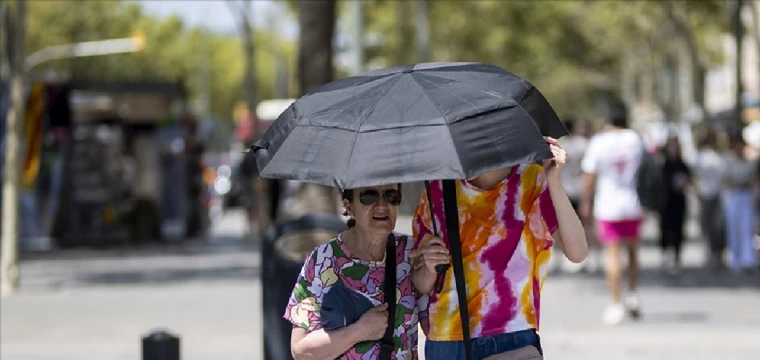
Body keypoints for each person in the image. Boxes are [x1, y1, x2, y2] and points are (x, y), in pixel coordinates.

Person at [411, 136, 587, 359]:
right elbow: (421, 284)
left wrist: (554, 181)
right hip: (448, 337)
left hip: (512, 333)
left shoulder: (532, 182)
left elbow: (578, 252)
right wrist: (428, 267)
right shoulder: (438, 189)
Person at [285, 183, 439, 359]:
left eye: (391, 196)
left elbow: (434, 328)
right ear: (349, 207)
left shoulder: (411, 252)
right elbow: (300, 350)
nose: (382, 205)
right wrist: (360, 330)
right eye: (369, 196)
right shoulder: (323, 259)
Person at [580, 101, 644, 325]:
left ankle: (616, 304)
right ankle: (633, 295)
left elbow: (589, 175)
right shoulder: (634, 140)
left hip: (608, 206)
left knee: (613, 255)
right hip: (632, 202)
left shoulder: (600, 142)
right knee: (633, 253)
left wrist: (586, 201)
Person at [722, 136, 759, 274]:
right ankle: (735, 259)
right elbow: (726, 180)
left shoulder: (749, 164)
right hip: (734, 196)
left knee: (747, 228)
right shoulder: (729, 163)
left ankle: (748, 259)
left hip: (746, 196)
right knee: (734, 228)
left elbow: (753, 181)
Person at [659, 135, 692, 275]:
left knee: (678, 230)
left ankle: (677, 258)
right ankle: (666, 255)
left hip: (679, 202)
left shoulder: (682, 165)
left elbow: (690, 180)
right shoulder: (662, 165)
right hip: (664, 202)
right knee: (665, 229)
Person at [693, 131, 726, 268]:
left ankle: (718, 253)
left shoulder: (720, 156)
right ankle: (709, 253)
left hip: (718, 195)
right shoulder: (702, 156)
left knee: (718, 226)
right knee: (706, 226)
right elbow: (695, 176)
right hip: (705, 195)